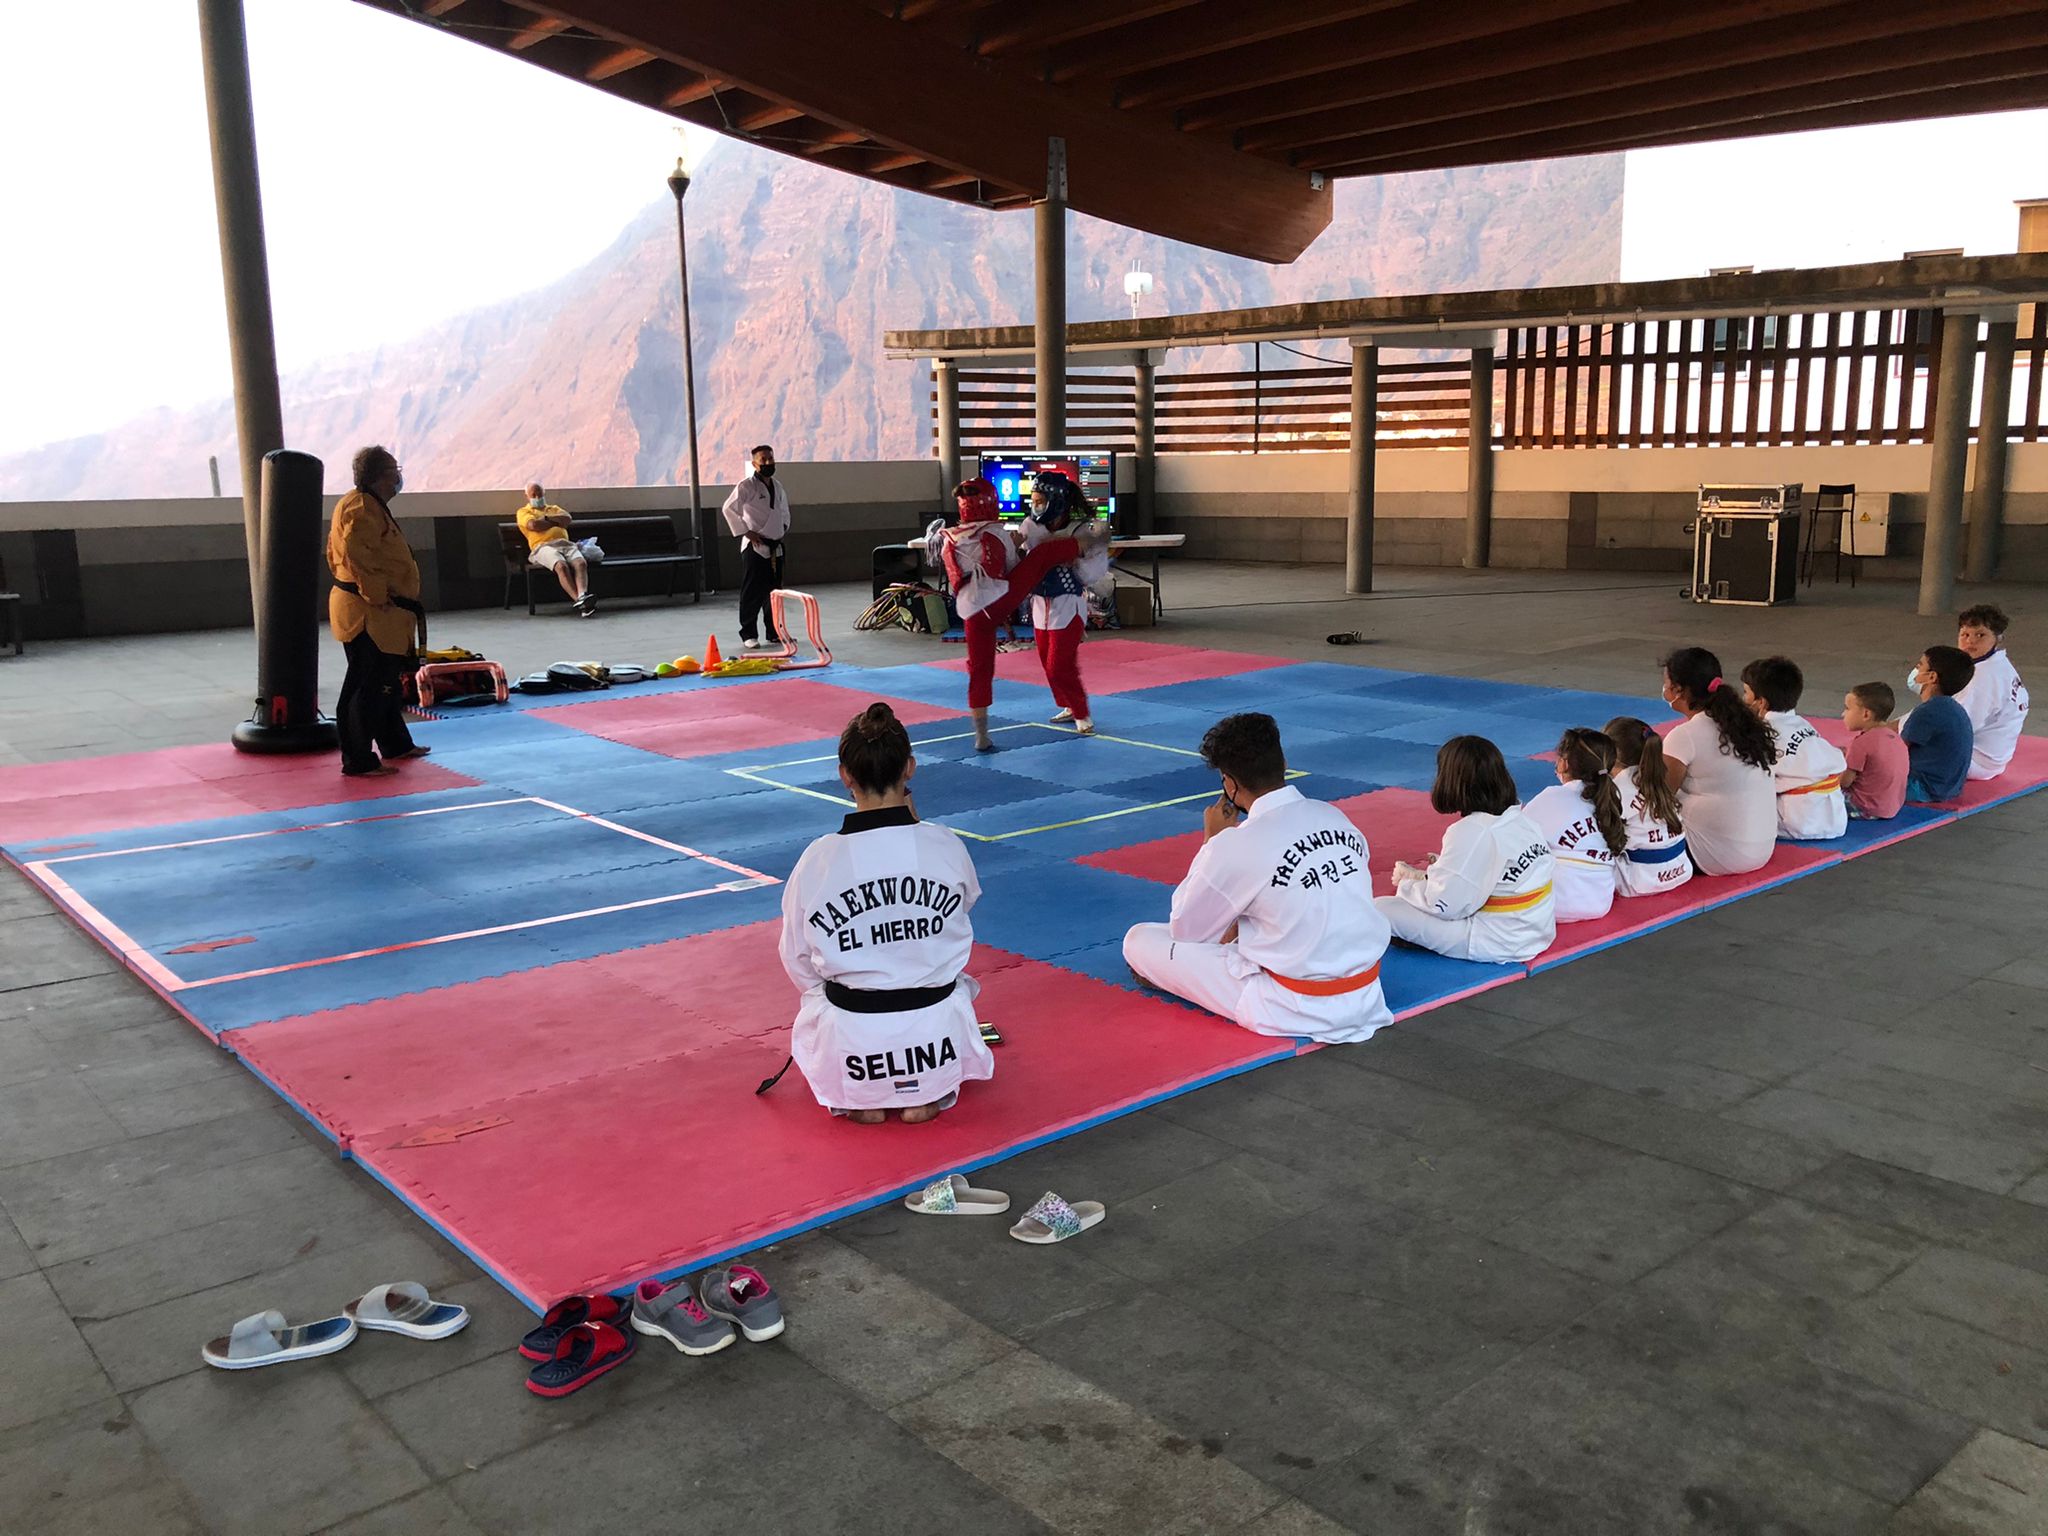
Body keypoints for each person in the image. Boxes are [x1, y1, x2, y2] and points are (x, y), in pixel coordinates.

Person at [778, 703, 993, 1124]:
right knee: (953, 984)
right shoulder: (944, 843)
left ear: (845, 775)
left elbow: (797, 957)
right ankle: (925, 1093)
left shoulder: (818, 859)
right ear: (910, 768)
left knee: (822, 999)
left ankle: (863, 1097)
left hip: (854, 1033)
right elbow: (962, 913)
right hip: (934, 1028)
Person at [1123, 713, 1392, 1043]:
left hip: (1287, 1005)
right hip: (1366, 994)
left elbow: (1186, 931)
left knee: (1139, 939)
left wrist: (1211, 841)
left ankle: (1179, 972)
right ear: (1284, 762)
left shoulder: (1233, 845)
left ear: (1230, 784)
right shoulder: (1333, 814)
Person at [934, 478, 1099, 752]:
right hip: (1005, 598)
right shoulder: (999, 532)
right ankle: (1084, 544)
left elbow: (956, 579)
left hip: (972, 610)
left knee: (982, 669)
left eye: (1038, 501)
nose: (1035, 507)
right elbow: (1012, 567)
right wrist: (1020, 546)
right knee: (1044, 554)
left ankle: (982, 736)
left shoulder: (949, 538)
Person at [1375, 735, 1555, 964]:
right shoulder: (1522, 819)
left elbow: (1446, 906)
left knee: (1380, 909)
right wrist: (1432, 874)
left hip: (1495, 940)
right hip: (1537, 931)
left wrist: (1409, 885)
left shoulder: (1472, 831)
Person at [328, 445, 430, 778]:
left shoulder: (367, 504)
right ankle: (357, 759)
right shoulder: (360, 507)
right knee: (366, 687)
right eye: (394, 469)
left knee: (386, 681)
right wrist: (376, 595)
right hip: (369, 612)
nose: (398, 476)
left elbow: (334, 553)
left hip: (381, 610)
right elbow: (358, 555)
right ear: (382, 475)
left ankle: (395, 743)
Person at [1656, 646, 1778, 876]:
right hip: (1762, 849)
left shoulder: (1684, 736)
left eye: (1667, 684)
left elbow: (1659, 796)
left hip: (1715, 854)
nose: (1665, 690)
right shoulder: (1746, 724)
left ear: (1678, 690)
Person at [1022, 471, 1109, 736]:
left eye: (1041, 500)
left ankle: (1083, 713)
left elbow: (1094, 573)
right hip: (1039, 605)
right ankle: (1068, 705)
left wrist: (1075, 559)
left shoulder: (1081, 531)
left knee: (1060, 664)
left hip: (1067, 605)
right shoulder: (1029, 527)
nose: (1036, 506)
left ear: (1056, 501)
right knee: (1045, 662)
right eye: (1033, 500)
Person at [1740, 655, 1847, 841]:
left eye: (1746, 692)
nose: (1743, 698)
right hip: (1835, 818)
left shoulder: (1764, 733)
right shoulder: (1802, 724)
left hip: (1796, 822)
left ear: (1761, 702)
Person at [1524, 728, 1625, 923]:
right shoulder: (1612, 796)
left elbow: (1514, 840)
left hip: (1554, 903)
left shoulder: (1552, 797)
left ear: (1564, 763)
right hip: (1601, 901)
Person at [1603, 717, 1693, 897]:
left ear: (1610, 754)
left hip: (1638, 881)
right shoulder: (1657, 781)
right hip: (1681, 869)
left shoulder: (1617, 792)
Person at [721, 445, 790, 651]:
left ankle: (774, 632)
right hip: (755, 546)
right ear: (754, 464)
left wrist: (782, 528)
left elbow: (784, 511)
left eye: (771, 459)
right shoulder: (746, 486)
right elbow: (728, 508)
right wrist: (745, 531)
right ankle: (749, 634)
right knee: (752, 591)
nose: (768, 463)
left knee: (774, 592)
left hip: (775, 546)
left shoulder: (777, 486)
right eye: (763, 460)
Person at [1953, 604, 2030, 780]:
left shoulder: (1983, 677)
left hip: (1974, 761)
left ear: (1998, 638)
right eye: (1965, 635)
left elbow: (1956, 726)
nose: (1970, 641)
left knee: (1890, 754)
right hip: (1994, 757)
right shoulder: (1997, 665)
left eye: (1980, 635)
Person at [1902, 645, 1976, 803]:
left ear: (1932, 677)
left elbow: (1897, 752)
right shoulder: (1953, 708)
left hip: (1923, 788)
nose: (1916, 669)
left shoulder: (1927, 712)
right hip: (1949, 787)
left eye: (1920, 665)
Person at [515, 483, 593, 616]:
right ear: (527, 496)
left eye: (539, 493)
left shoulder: (554, 508)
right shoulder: (524, 512)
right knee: (561, 566)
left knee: (580, 563)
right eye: (533, 494)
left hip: (566, 544)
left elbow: (567, 519)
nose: (537, 497)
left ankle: (582, 595)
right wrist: (555, 522)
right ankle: (581, 602)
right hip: (542, 547)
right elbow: (533, 525)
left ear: (544, 493)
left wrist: (545, 520)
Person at [1839, 682, 1907, 821]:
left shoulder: (1861, 743)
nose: (1843, 714)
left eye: (1847, 708)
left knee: (1817, 796)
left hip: (1865, 808)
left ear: (1866, 714)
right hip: (1892, 807)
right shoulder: (1895, 737)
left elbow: (1844, 782)